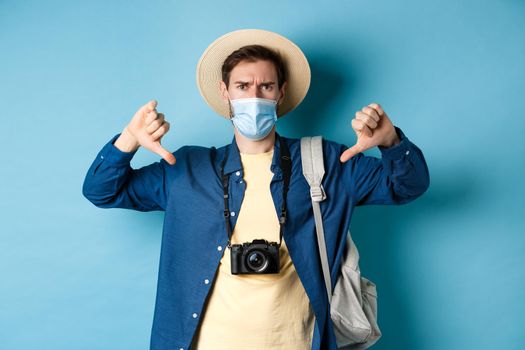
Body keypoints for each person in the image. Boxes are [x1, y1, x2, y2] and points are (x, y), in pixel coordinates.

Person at [82, 29, 430, 350]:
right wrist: (129, 140)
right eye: (242, 86)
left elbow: (407, 186)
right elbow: (101, 191)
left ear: (280, 93)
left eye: (265, 87)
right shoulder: (186, 169)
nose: (254, 96)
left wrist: (392, 142)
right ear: (225, 92)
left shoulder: (324, 163)